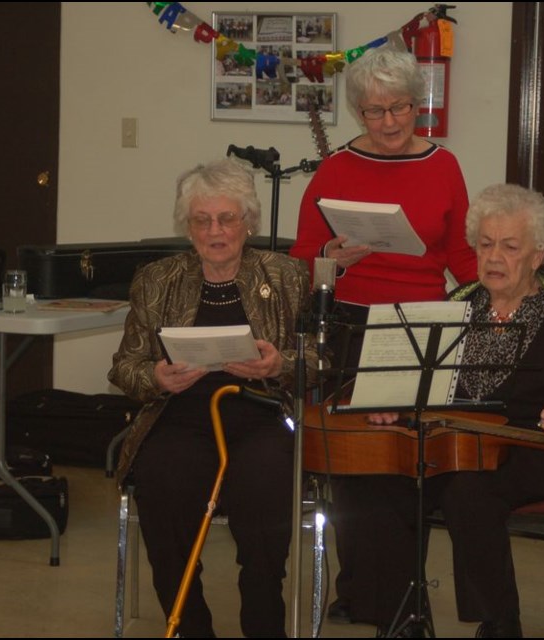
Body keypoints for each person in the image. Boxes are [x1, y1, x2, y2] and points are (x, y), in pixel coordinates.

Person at [364, 184, 544, 637]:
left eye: (510, 246)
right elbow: (419, 383)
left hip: (543, 450)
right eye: (485, 244)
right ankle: (402, 618)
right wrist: (393, 402)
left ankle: (499, 623)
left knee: (469, 489)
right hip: (458, 446)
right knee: (384, 481)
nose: (494, 257)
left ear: (537, 255)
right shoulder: (455, 307)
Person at [289, 46, 477, 628]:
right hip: (349, 324)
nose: (390, 122)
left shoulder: (443, 165)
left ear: (416, 105)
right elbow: (301, 261)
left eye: (399, 108)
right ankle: (363, 591)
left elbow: (463, 255)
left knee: (407, 465)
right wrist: (331, 257)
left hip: (421, 327)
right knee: (355, 469)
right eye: (374, 112)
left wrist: (491, 307)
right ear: (358, 113)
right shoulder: (336, 168)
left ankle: (402, 596)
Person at [109, 158, 321, 638]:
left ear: (249, 223)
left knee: (267, 491)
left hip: (262, 414)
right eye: (202, 220)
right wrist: (157, 378)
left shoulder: (287, 276)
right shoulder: (156, 279)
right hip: (181, 415)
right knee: (161, 481)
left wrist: (278, 365)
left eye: (227, 218)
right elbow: (124, 365)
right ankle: (190, 624)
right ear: (188, 227)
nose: (216, 231)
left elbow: (321, 362)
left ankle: (264, 622)